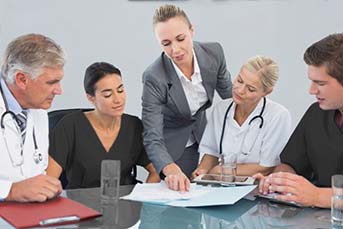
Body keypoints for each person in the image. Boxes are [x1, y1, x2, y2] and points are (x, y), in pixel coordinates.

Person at [142, 4, 232, 192]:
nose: (175, 49)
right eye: (166, 43)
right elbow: (152, 136)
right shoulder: (154, 77)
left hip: (205, 136)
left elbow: (231, 101)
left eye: (180, 38)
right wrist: (169, 167)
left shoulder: (214, 53)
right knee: (180, 200)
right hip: (172, 146)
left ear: (192, 31)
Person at [254, 33, 343, 208]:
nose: (312, 91)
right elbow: (290, 164)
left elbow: (314, 195)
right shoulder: (316, 113)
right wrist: (281, 181)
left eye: (320, 83)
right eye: (311, 81)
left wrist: (317, 196)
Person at [47, 62, 160, 189]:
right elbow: (49, 180)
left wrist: (145, 200)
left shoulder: (134, 126)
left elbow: (155, 170)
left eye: (120, 90)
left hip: (125, 204)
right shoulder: (70, 126)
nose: (118, 99)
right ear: (91, 98)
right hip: (81, 205)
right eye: (108, 94)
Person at [192, 56, 291, 178]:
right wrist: (203, 169)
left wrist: (221, 170)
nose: (240, 90)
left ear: (266, 92)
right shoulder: (221, 109)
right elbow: (211, 151)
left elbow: (267, 167)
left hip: (255, 190)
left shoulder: (278, 115)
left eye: (251, 89)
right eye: (239, 81)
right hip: (222, 186)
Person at [0, 34, 65, 202]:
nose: (59, 91)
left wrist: (45, 186)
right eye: (51, 82)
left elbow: (36, 171)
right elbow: (16, 188)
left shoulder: (38, 110)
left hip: (26, 215)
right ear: (22, 79)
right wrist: (10, 190)